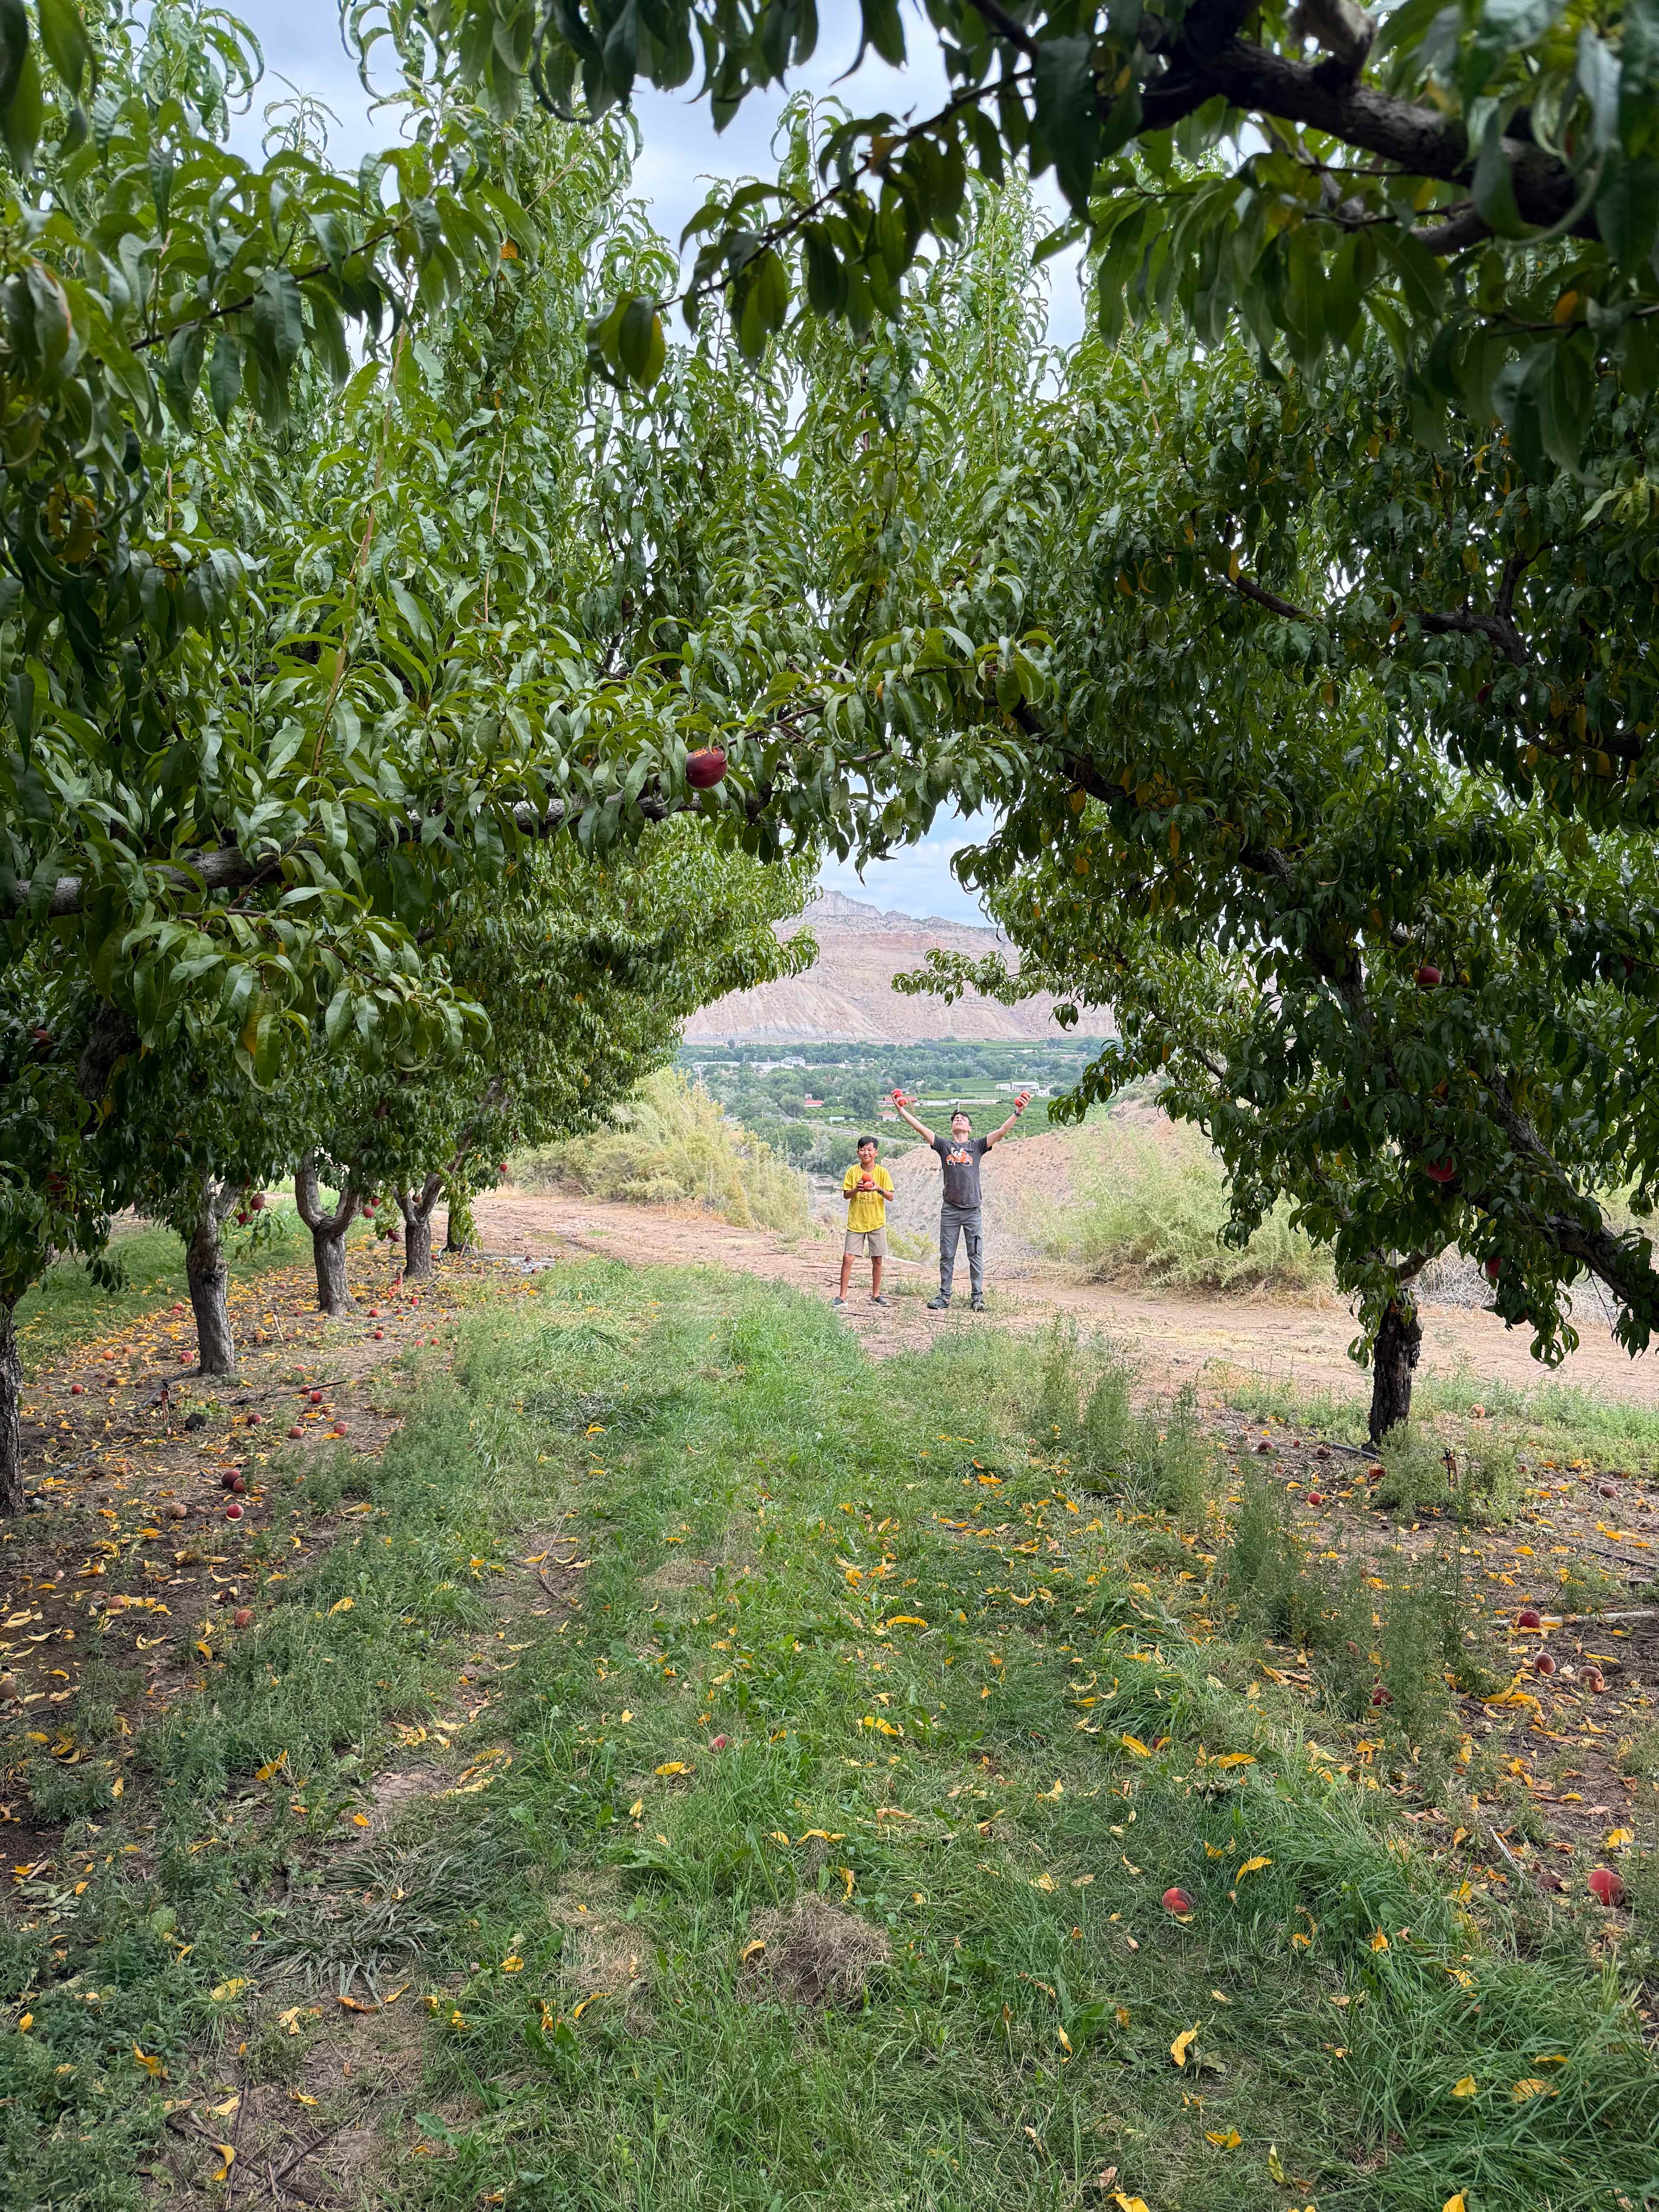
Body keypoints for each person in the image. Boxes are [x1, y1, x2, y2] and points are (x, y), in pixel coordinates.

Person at [890, 1090, 1030, 1310]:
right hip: (951, 1210)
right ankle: (944, 1297)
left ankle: (978, 1298)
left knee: (975, 1254)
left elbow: (1002, 1132)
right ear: (952, 1127)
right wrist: (901, 1110)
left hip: (973, 1210)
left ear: (970, 1128)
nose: (959, 1119)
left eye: (963, 1118)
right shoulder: (944, 1145)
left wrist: (1018, 1112)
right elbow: (920, 1128)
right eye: (956, 1118)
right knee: (947, 1255)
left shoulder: (978, 1146)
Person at [834, 1135, 896, 1310]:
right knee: (848, 1258)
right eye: (863, 1149)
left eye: (870, 1149)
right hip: (856, 1222)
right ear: (858, 1153)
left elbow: (891, 1196)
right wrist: (857, 1189)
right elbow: (846, 1195)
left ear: (876, 1153)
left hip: (876, 1222)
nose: (866, 1152)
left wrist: (879, 1189)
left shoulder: (883, 1173)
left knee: (877, 1259)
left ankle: (876, 1294)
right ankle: (842, 1296)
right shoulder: (853, 1172)